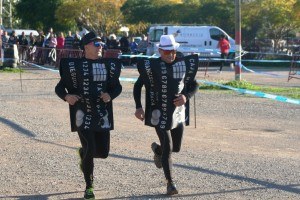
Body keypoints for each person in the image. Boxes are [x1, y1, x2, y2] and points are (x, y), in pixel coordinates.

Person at [55, 31, 122, 200]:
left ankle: (83, 154)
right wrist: (67, 97)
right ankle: (89, 187)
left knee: (103, 153)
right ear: (86, 46)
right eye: (97, 44)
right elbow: (59, 87)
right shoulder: (75, 67)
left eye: (102, 44)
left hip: (102, 114)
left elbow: (117, 87)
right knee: (90, 148)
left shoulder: (108, 66)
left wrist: (110, 96)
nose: (101, 47)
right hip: (82, 114)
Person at [133, 35, 199, 195]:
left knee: (175, 147)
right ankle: (170, 183)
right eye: (167, 52)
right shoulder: (152, 66)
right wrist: (139, 107)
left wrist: (186, 96)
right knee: (168, 147)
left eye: (173, 51)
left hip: (177, 112)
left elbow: (194, 84)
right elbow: (137, 86)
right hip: (158, 111)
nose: (170, 55)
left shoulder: (182, 63)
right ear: (160, 51)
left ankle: (158, 151)